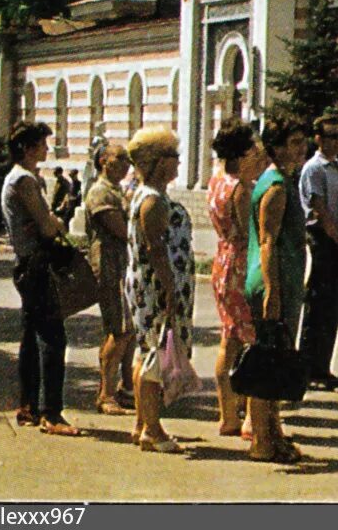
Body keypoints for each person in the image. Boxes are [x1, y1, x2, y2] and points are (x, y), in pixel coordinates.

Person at [1, 121, 81, 436]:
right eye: (42, 144)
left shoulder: (23, 178)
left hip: (27, 263)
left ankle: (29, 406)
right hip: (36, 264)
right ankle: (52, 413)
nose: (47, 149)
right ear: (27, 148)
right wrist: (59, 220)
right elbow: (47, 227)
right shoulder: (23, 179)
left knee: (32, 338)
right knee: (52, 337)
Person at [246, 116, 311, 463]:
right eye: (295, 142)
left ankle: (274, 434)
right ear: (277, 147)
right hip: (273, 282)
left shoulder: (282, 180)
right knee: (267, 361)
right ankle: (261, 440)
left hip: (283, 280)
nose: (302, 149)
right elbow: (268, 241)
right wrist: (273, 291)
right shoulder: (275, 187)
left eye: (303, 142)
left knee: (278, 358)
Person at [124, 126, 193, 454]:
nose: (178, 162)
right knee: (155, 355)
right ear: (156, 162)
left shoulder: (149, 194)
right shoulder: (152, 201)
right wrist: (169, 290)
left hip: (147, 286)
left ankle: (142, 423)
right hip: (154, 287)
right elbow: (155, 250)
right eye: (173, 155)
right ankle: (152, 428)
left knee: (146, 352)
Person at [208, 119, 264, 436]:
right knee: (252, 340)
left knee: (228, 339)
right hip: (242, 264)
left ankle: (227, 415)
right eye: (252, 148)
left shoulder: (216, 181)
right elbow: (247, 232)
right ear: (241, 154)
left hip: (222, 260)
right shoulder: (241, 189)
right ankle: (249, 420)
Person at [297, 114, 338, 391]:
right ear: (318, 139)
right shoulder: (314, 169)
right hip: (323, 240)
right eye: (332, 136)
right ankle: (307, 367)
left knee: (333, 308)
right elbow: (320, 210)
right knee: (317, 306)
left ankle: (323, 366)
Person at [85, 139, 135, 415]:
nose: (126, 164)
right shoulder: (100, 192)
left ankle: (125, 388)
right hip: (109, 264)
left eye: (128, 159)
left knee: (127, 330)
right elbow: (121, 230)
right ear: (104, 160)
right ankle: (105, 393)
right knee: (118, 328)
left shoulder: (119, 190)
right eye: (120, 158)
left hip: (123, 264)